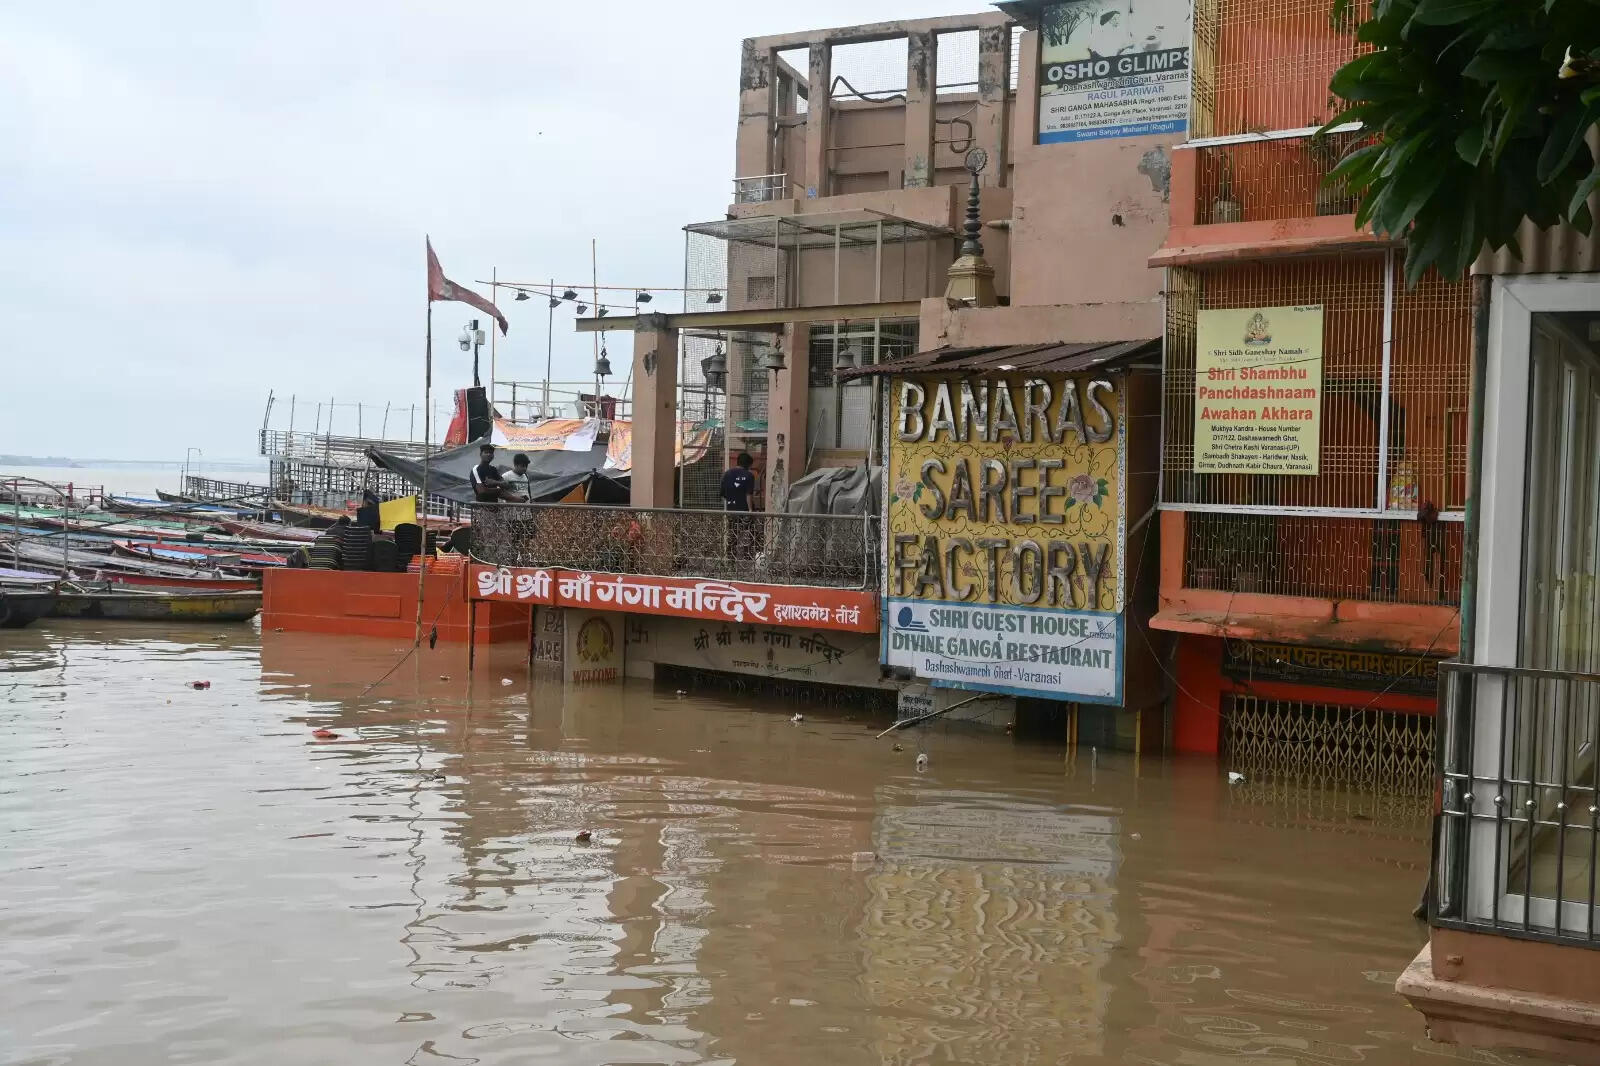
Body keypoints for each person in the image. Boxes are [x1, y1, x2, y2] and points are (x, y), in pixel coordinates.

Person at [720, 452, 759, 560]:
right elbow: (748, 494)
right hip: (744, 510)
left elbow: (723, 494)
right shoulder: (749, 475)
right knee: (751, 534)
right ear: (748, 465)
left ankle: (730, 559)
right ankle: (749, 556)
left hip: (731, 510)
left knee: (733, 535)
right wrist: (750, 510)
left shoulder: (726, 474)